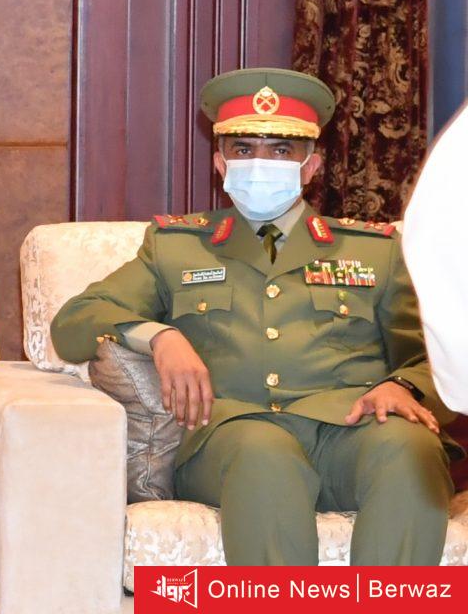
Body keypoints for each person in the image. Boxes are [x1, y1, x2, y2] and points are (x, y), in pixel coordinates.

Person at [51, 68, 455, 566]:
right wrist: (159, 336)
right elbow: (74, 322)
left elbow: (438, 354)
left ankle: (388, 602)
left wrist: (404, 386)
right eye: (243, 149)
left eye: (281, 151)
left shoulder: (375, 251)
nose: (260, 164)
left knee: (409, 449)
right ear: (220, 163)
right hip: (232, 438)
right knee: (266, 455)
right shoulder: (176, 246)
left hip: (349, 431)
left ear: (311, 166)